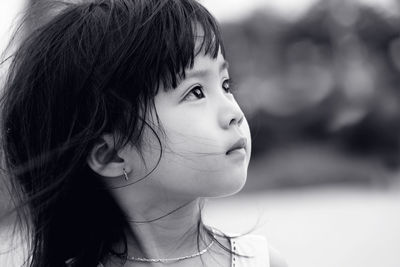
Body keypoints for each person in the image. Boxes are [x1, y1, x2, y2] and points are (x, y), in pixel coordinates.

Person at [0, 0, 287, 266]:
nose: (234, 113)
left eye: (226, 85)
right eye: (196, 92)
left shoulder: (260, 261)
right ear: (111, 154)